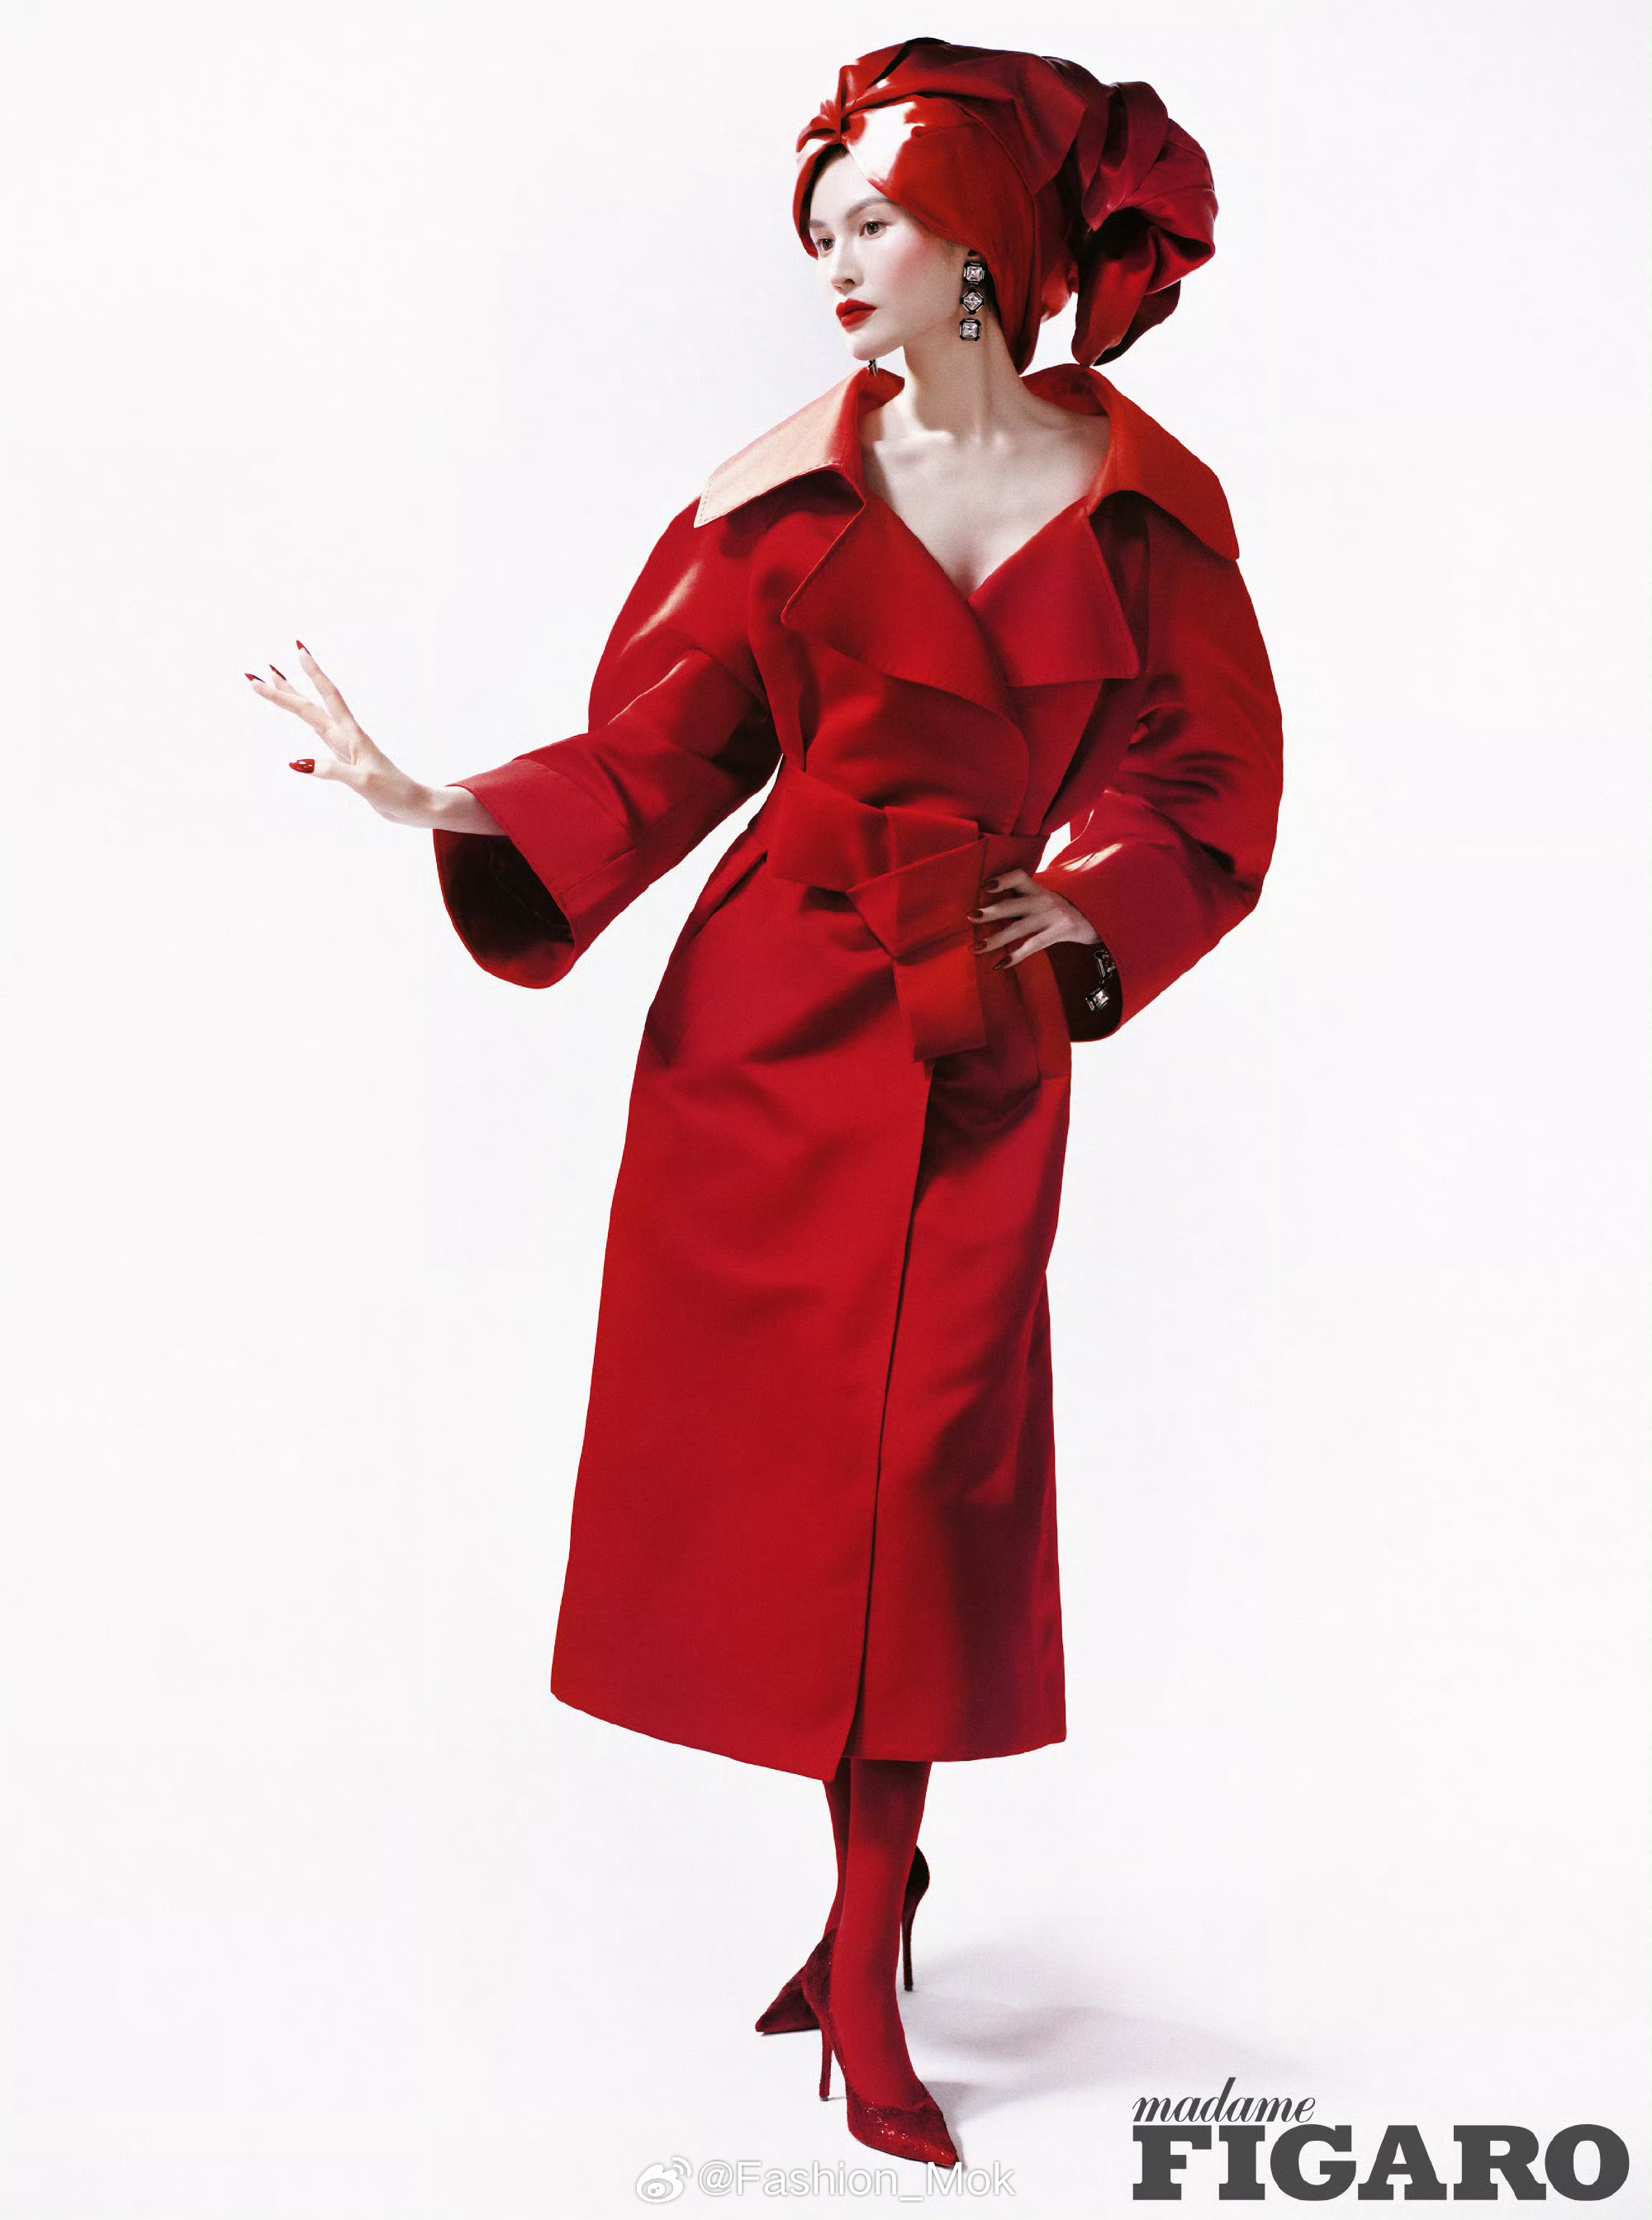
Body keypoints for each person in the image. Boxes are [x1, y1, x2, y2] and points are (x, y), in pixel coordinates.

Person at [246, 36, 1284, 2171]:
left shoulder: (1148, 513)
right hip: (764, 1033)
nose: (832, 261)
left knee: (924, 1481)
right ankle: (865, 1909)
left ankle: (869, 1927)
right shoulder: (779, 502)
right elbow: (657, 758)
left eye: (871, 221)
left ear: (976, 239)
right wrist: (443, 798)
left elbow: (1212, 782)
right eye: (820, 229)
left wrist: (1083, 918)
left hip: (978, 1031)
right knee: (807, 1501)